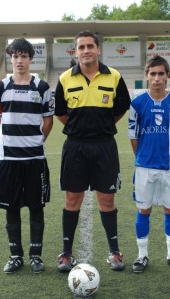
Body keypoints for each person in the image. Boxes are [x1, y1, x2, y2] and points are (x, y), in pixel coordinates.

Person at [54, 30, 131, 272]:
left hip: (105, 146)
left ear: (98, 49)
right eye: (81, 47)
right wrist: (80, 129)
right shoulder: (65, 78)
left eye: (90, 46)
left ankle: (114, 252)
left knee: (107, 200)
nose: (86, 51)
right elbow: (60, 113)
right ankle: (66, 254)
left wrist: (101, 128)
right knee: (72, 199)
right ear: (75, 52)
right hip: (75, 147)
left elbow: (120, 109)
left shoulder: (114, 77)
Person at [0, 38, 54, 274]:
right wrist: (10, 143)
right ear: (11, 58)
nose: (19, 60)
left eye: (23, 56)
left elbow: (49, 121)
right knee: (12, 207)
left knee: (37, 207)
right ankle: (16, 255)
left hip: (35, 158)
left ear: (30, 58)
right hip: (8, 159)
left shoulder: (42, 87)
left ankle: (36, 256)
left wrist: (35, 142)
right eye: (15, 56)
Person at [128, 55, 170, 273]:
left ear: (167, 76)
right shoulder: (136, 104)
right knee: (143, 210)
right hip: (144, 167)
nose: (157, 78)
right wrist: (143, 158)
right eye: (152, 73)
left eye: (161, 74)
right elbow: (133, 136)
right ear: (147, 76)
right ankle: (142, 256)